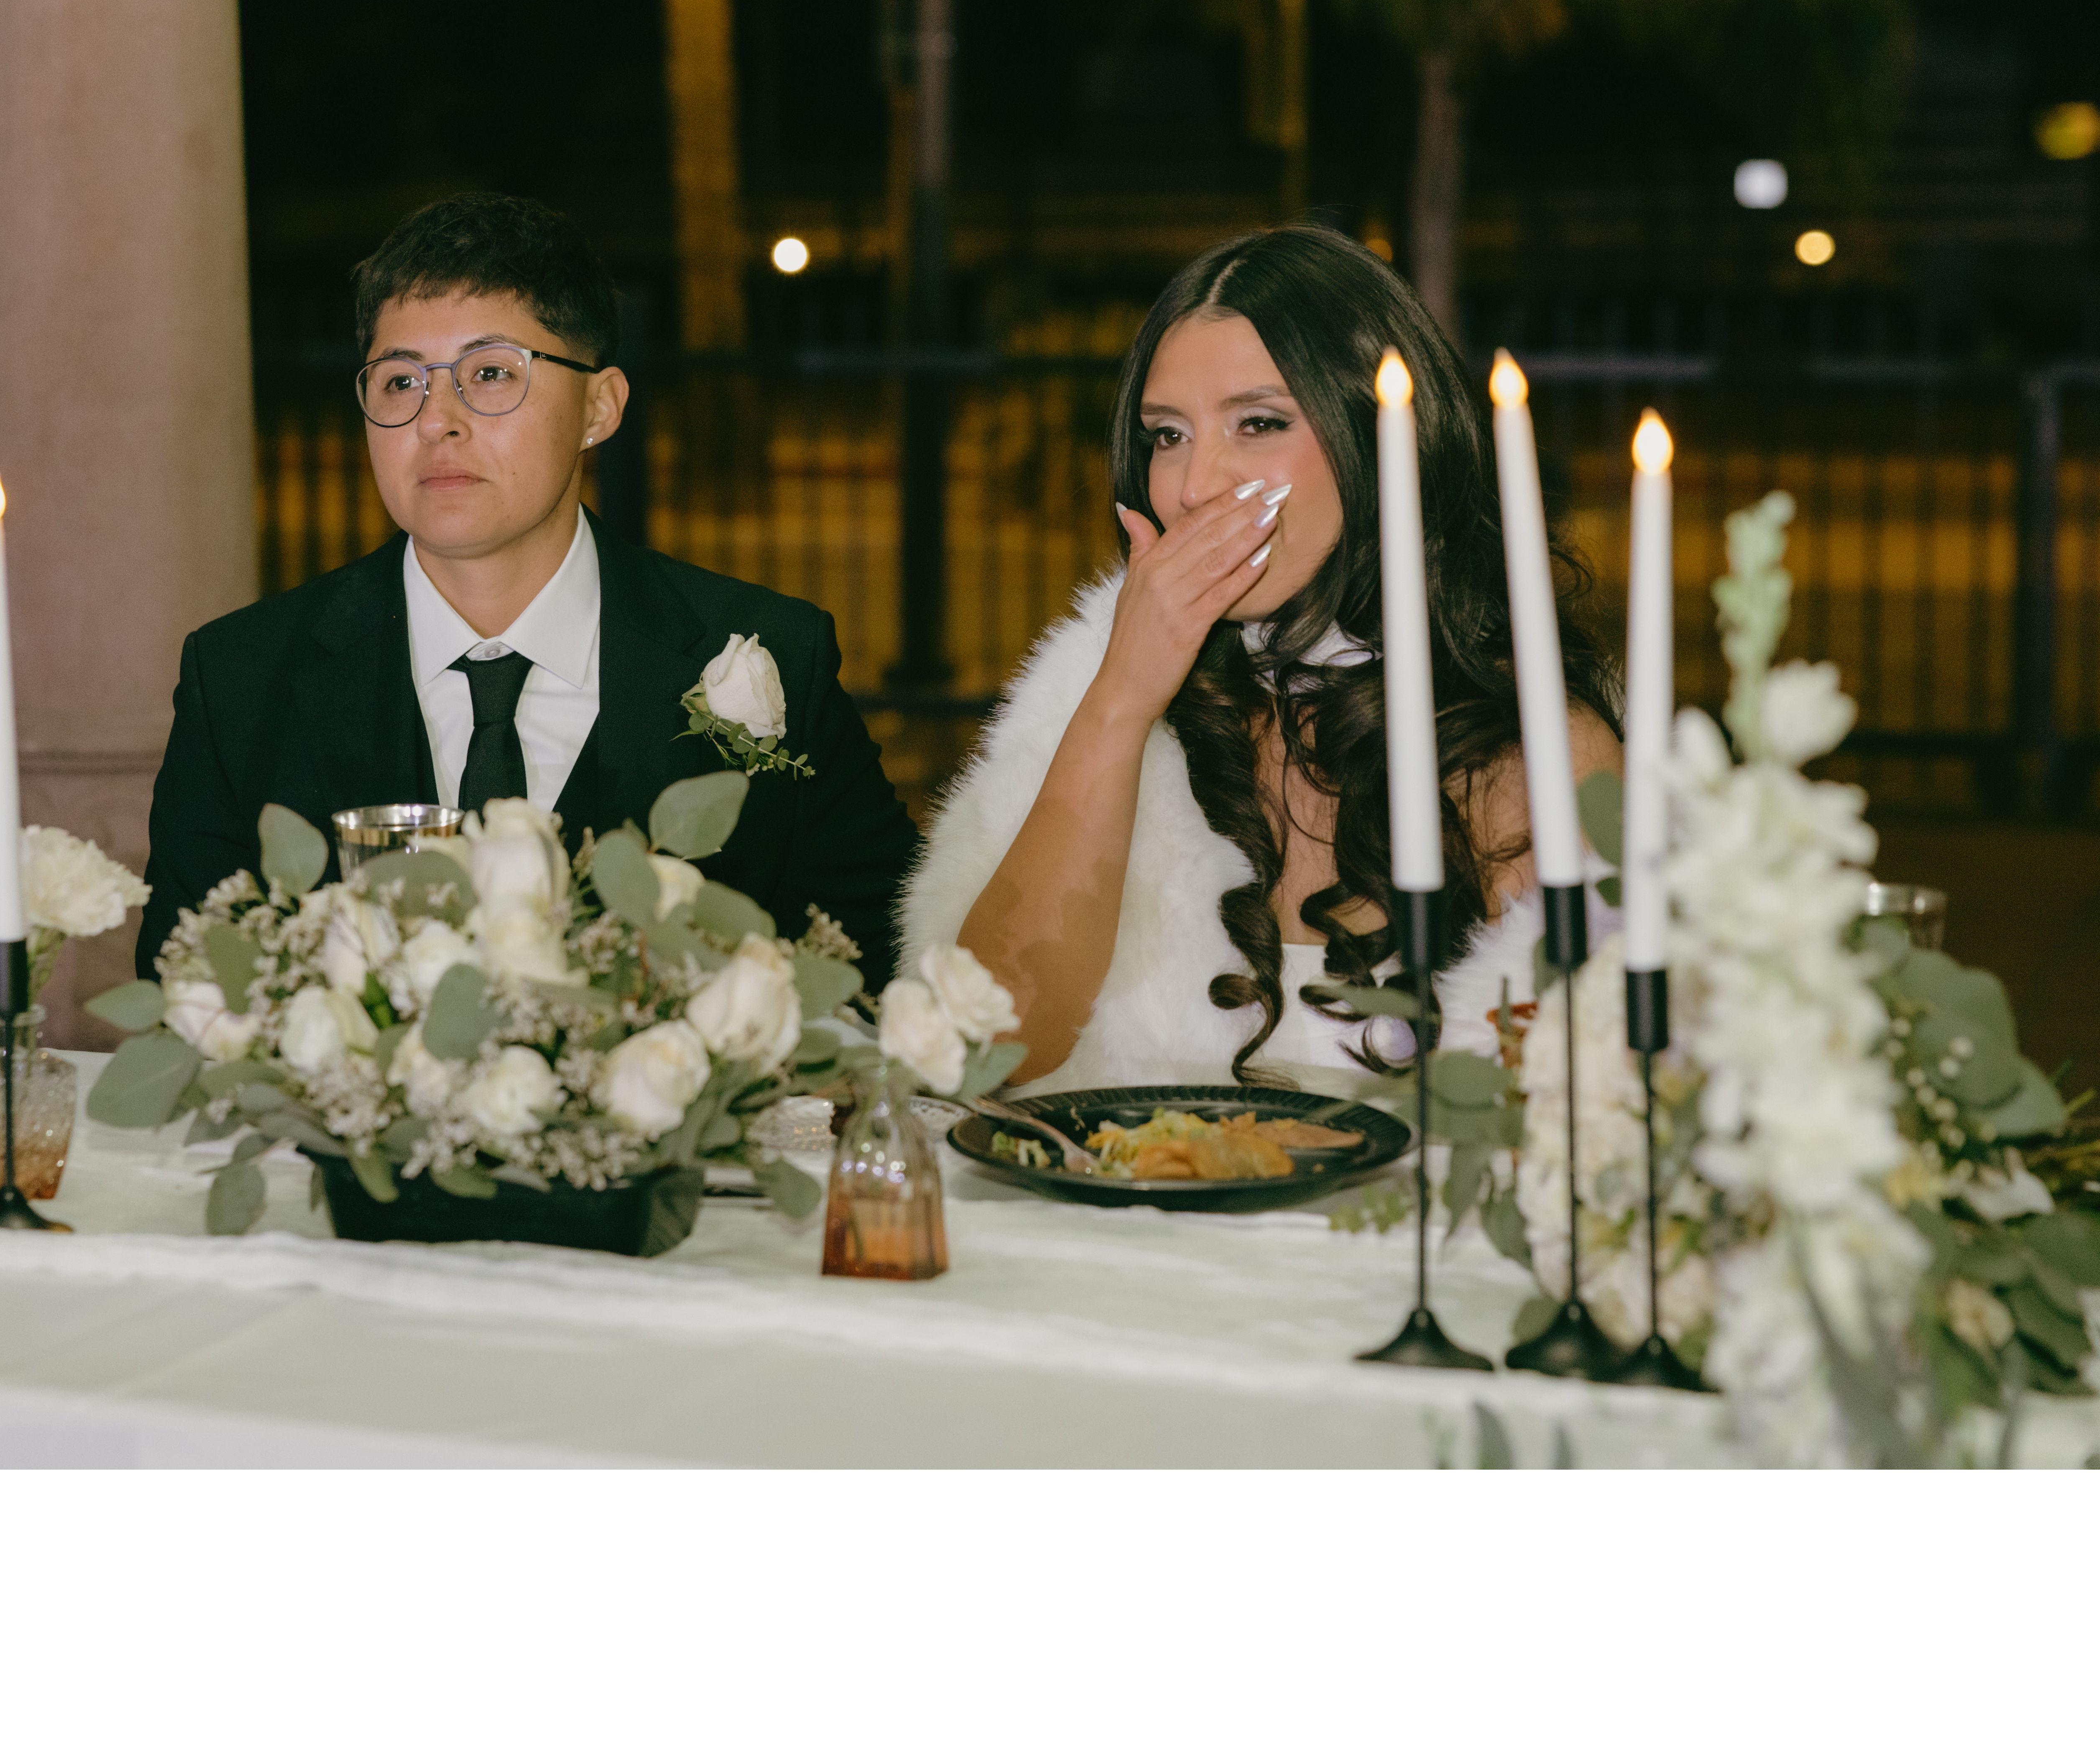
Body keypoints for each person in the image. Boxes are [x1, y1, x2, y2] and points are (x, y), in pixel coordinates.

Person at [899, 228, 1621, 1090]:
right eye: (1167, 435)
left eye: (1259, 424)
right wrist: (1120, 703)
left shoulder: (1527, 745)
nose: (1195, 486)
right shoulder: (1099, 704)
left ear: (1378, 441)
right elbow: (982, 1054)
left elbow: (1591, 1098)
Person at [140, 193, 922, 986]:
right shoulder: (241, 680)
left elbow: (882, 971)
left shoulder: (769, 657)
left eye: (490, 374)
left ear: (598, 407)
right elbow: (189, 996)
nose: (436, 420)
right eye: (401, 381)